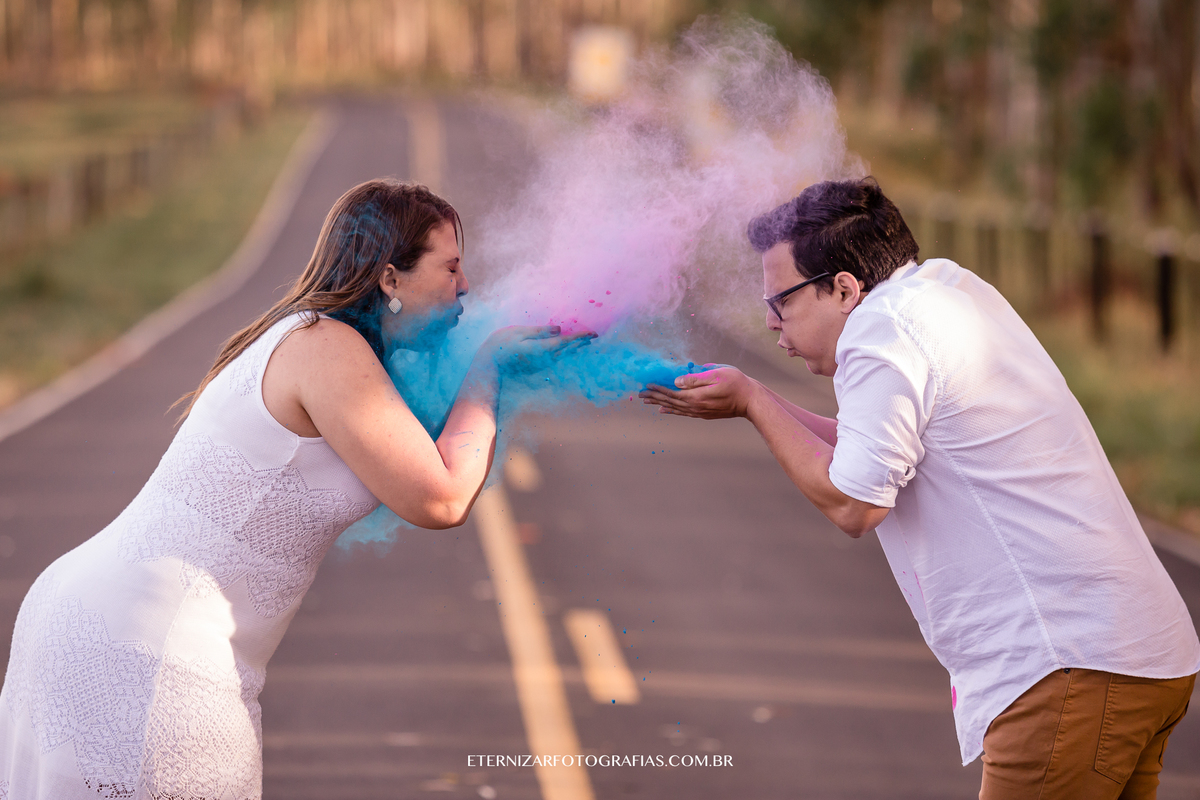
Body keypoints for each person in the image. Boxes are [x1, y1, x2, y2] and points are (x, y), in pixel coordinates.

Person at [0, 178, 592, 798]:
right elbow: (442, 496)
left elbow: (437, 442)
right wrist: (490, 367)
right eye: (450, 267)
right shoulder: (328, 350)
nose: (465, 286)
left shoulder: (315, 339)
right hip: (148, 646)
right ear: (390, 280)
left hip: (109, 620)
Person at [640, 177, 1200, 799]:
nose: (771, 322)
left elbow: (855, 502)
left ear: (844, 289)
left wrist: (751, 401)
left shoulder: (880, 332)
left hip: (1066, 666)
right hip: (1135, 655)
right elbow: (875, 453)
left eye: (782, 301)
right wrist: (756, 398)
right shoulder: (941, 290)